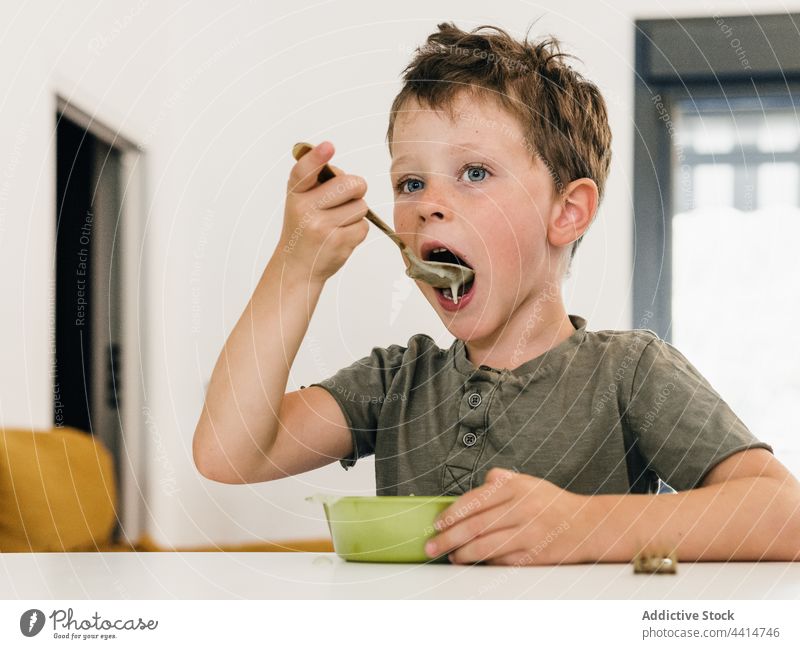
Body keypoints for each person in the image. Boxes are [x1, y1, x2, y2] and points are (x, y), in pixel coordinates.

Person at [192, 22, 800, 565]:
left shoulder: (631, 372)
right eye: (410, 181)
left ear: (567, 212)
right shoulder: (397, 381)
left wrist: (584, 526)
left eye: (475, 173)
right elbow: (230, 453)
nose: (428, 203)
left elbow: (784, 514)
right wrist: (296, 268)